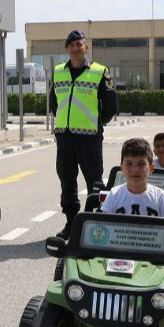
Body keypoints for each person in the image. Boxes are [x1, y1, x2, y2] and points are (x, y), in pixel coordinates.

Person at [51, 30, 118, 239]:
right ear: (66, 49)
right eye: (71, 45)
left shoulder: (99, 71)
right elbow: (54, 103)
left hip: (89, 137)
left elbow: (111, 105)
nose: (75, 48)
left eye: (79, 44)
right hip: (65, 137)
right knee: (67, 182)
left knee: (94, 182)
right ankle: (71, 223)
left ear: (86, 47)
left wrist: (97, 123)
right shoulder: (58, 71)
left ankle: (93, 223)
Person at [101, 138, 164, 218]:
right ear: (122, 168)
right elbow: (105, 226)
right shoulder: (113, 195)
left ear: (151, 168)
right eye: (129, 164)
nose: (135, 170)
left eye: (141, 164)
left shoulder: (161, 198)